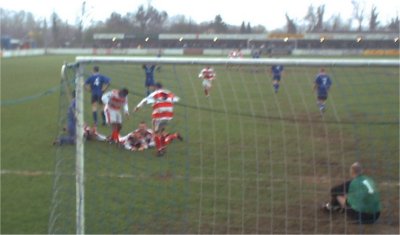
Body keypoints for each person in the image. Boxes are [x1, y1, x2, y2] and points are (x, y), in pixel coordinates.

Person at [133, 82, 181, 156]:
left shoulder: (155, 94)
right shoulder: (169, 93)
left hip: (159, 116)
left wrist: (137, 107)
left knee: (155, 133)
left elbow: (145, 100)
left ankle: (159, 150)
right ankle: (165, 145)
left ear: (155, 87)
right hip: (168, 116)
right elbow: (177, 99)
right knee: (161, 132)